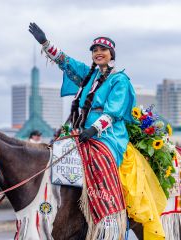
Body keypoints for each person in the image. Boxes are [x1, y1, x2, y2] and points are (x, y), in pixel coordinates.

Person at [29, 23, 167, 239]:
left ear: (111, 54)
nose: (98, 53)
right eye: (94, 50)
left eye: (103, 50)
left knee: (99, 162)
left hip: (108, 137)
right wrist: (46, 43)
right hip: (81, 133)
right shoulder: (88, 76)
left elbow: (114, 111)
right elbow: (66, 63)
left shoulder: (120, 79)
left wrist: (94, 129)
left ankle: (111, 221)